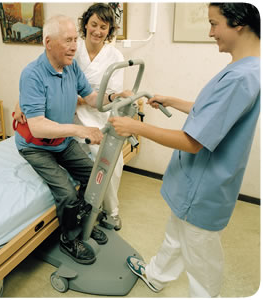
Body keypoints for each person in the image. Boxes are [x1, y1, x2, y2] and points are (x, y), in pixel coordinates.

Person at [109, 3, 260, 297]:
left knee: (201, 256)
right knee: (176, 234)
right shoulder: (245, 68)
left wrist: (135, 127)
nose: (211, 32)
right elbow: (213, 113)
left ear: (239, 24)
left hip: (204, 186)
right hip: (197, 182)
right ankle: (156, 275)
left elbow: (193, 141)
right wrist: (172, 100)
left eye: (215, 24)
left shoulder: (243, 76)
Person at [14, 15, 129, 265]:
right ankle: (69, 238)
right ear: (48, 42)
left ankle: (83, 222)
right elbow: (38, 126)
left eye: (75, 39)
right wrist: (80, 131)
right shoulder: (32, 75)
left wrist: (116, 97)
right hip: (36, 147)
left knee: (95, 175)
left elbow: (90, 97)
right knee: (67, 194)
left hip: (61, 142)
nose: (74, 46)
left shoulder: (70, 67)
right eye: (68, 40)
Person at [74, 3, 124, 230]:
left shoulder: (115, 55)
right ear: (86, 24)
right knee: (92, 157)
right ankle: (87, 208)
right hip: (72, 115)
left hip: (101, 114)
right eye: (93, 24)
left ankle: (111, 210)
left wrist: (82, 98)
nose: (97, 31)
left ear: (109, 30)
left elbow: (112, 94)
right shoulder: (73, 48)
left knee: (112, 160)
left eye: (103, 27)